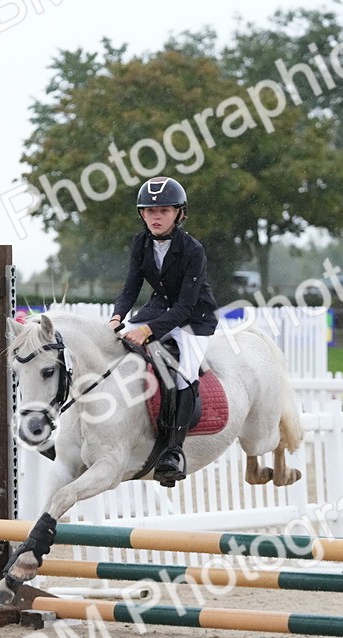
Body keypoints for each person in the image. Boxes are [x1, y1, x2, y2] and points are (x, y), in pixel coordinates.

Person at [109, 176, 219, 483]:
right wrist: (117, 318)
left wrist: (146, 332)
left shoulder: (192, 249)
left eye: (164, 210)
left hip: (194, 319)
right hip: (157, 310)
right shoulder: (140, 243)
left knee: (184, 375)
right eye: (149, 210)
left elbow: (184, 307)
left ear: (179, 214)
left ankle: (173, 451)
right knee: (113, 350)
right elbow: (130, 289)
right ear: (142, 214)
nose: (156, 216)